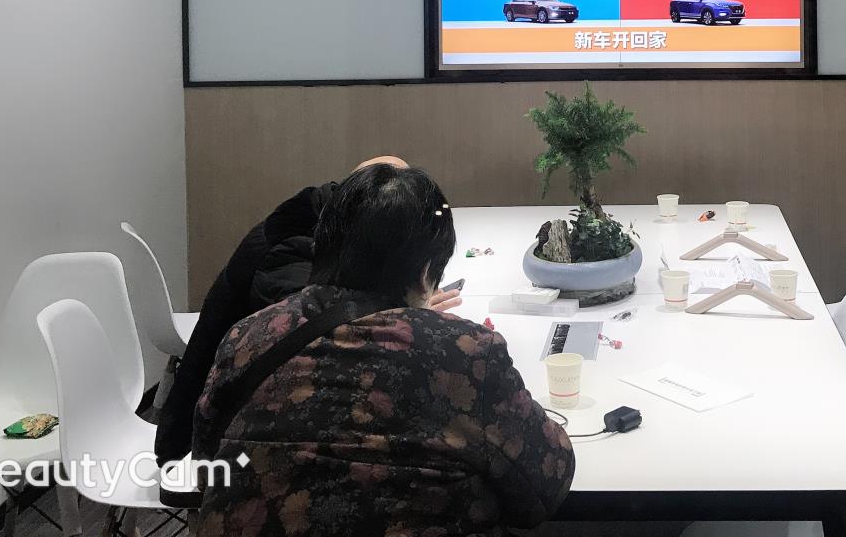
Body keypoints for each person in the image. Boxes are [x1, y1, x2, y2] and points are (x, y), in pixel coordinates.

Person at [192, 162, 574, 537]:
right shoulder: (464, 353)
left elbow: (206, 462)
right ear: (426, 273)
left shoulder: (247, 337)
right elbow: (545, 486)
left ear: (322, 247)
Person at [153, 156, 461, 465]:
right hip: (204, 444)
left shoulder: (314, 224)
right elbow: (330, 336)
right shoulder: (286, 255)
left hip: (241, 428)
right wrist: (407, 310)